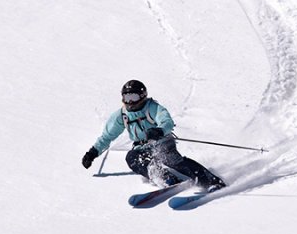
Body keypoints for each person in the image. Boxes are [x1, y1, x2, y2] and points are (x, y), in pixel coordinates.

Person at [81, 80, 226, 191]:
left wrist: (159, 130)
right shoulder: (122, 115)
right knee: (132, 158)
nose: (129, 101)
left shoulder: (152, 107)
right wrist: (93, 152)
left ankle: (211, 181)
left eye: (133, 96)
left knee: (173, 161)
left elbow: (167, 121)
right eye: (126, 97)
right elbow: (107, 136)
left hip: (161, 141)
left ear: (142, 96)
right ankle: (164, 177)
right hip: (141, 147)